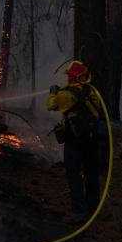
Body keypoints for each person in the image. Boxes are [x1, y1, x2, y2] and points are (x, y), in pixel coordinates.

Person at [46, 60, 102, 224]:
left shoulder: (65, 93)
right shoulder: (92, 92)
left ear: (71, 77)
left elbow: (51, 105)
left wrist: (52, 92)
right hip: (92, 139)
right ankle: (93, 207)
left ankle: (80, 211)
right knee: (91, 173)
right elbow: (97, 108)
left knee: (74, 174)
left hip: (74, 141)